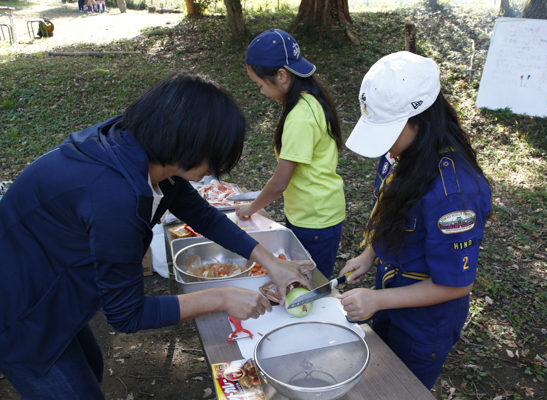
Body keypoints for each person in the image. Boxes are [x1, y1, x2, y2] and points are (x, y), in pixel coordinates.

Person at [0, 71, 312, 399]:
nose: (215, 170)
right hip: (19, 310)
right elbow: (127, 314)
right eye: (214, 156)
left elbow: (203, 214)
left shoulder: (142, 149)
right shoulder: (115, 198)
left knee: (89, 366)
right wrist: (221, 298)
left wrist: (271, 263)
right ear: (186, 143)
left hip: (50, 281)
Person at [337, 51, 492, 390]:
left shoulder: (455, 194)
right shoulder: (400, 154)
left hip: (425, 322)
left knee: (402, 389)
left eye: (388, 130)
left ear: (420, 119)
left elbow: (457, 283)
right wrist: (368, 254)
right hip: (389, 294)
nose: (384, 144)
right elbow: (387, 209)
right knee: (375, 380)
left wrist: (377, 300)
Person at [235, 29, 346, 279]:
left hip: (315, 217)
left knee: (311, 283)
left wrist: (251, 208)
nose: (261, 91)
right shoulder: (310, 101)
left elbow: (280, 182)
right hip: (316, 210)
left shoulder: (300, 117)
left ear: (282, 76)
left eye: (260, 84)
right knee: (309, 277)